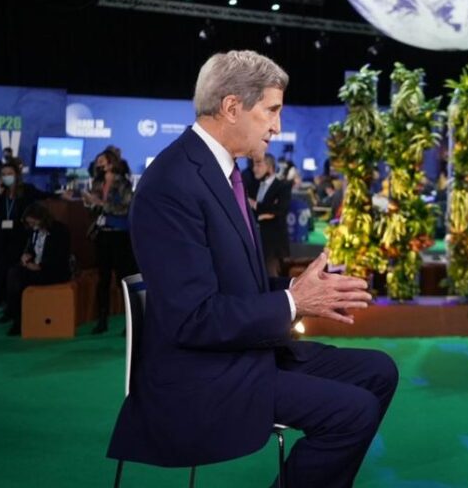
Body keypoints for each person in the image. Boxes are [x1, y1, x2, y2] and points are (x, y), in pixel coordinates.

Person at [107, 50, 397, 488]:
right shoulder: (172, 183)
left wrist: (301, 290)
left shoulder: (220, 173)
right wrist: (292, 302)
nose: (278, 127)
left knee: (380, 371)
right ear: (231, 107)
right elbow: (194, 318)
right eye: (272, 110)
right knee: (352, 413)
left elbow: (238, 281)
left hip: (246, 352)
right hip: (201, 374)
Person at [0, 160, 51, 318]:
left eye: (10, 174)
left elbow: (44, 195)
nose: (7, 177)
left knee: (12, 270)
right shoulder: (1, 192)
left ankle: (7, 304)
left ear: (17, 175)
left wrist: (61, 194)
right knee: (1, 269)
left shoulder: (26, 190)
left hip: (18, 237)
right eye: (4, 174)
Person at [82, 148, 137, 334]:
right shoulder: (97, 183)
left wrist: (100, 204)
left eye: (102, 160)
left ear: (111, 163)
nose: (98, 164)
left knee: (123, 279)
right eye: (97, 161)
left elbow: (125, 208)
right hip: (102, 234)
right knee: (103, 279)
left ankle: (129, 322)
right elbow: (94, 211)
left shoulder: (123, 183)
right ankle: (102, 320)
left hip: (120, 235)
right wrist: (90, 203)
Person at [5, 202, 72, 336]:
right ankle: (15, 314)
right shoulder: (34, 232)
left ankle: (18, 319)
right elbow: (32, 249)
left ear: (41, 218)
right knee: (14, 273)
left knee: (20, 280)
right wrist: (27, 256)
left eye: (33, 222)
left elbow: (59, 257)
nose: (31, 225)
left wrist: (40, 266)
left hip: (53, 271)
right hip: (36, 268)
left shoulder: (59, 231)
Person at [247, 153, 292, 276]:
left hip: (273, 245)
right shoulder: (254, 185)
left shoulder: (282, 186)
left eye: (258, 165)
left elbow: (279, 211)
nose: (254, 169)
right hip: (257, 242)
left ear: (270, 167)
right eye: (254, 165)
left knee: (273, 278)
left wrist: (256, 205)